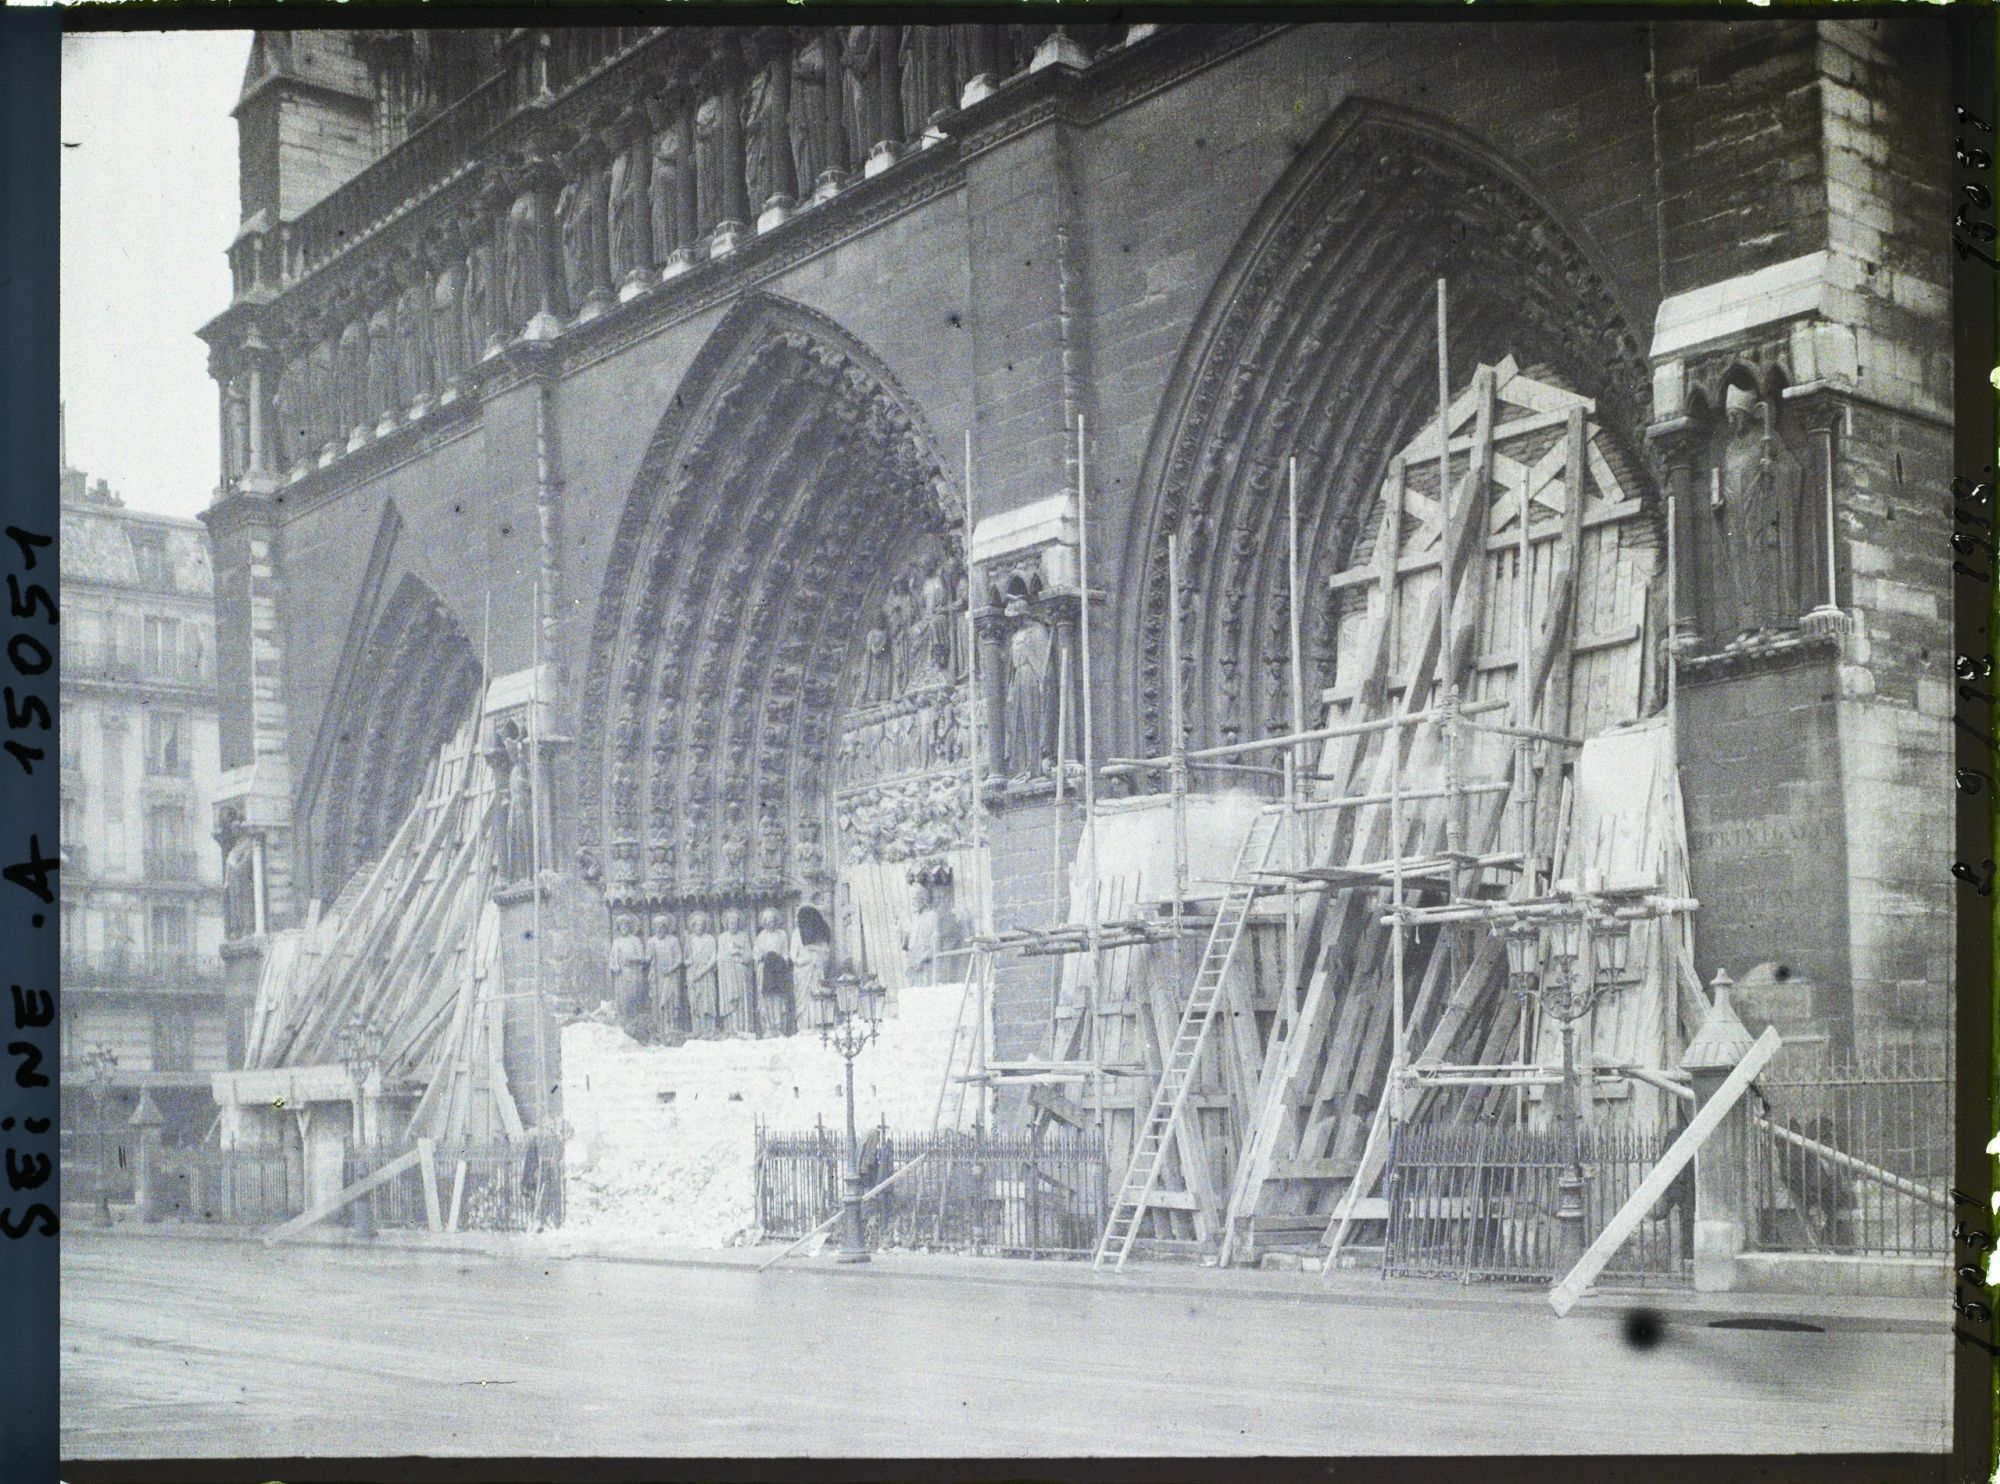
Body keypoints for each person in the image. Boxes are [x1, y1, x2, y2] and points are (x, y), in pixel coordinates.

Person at [609, 914, 652, 1041]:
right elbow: (612, 960)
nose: (624, 927)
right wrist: (615, 966)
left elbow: (643, 958)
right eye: (621, 925)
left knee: (633, 999)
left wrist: (632, 959)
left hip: (633, 974)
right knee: (622, 1001)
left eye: (626, 925)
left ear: (630, 927)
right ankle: (623, 1025)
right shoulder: (617, 942)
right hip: (621, 975)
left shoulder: (635, 940)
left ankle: (634, 1026)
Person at [648, 913, 687, 1045]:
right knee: (658, 1002)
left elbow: (679, 958)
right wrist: (651, 955)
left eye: (662, 927)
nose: (660, 929)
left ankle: (672, 1029)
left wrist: (670, 968)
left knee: (670, 1001)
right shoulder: (651, 941)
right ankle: (660, 1030)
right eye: (657, 927)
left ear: (666, 927)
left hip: (671, 975)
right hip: (657, 976)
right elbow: (647, 958)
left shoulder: (673, 940)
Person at [717, 908, 757, 1038]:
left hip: (741, 973)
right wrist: (730, 955)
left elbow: (749, 956)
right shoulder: (722, 938)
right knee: (730, 1002)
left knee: (742, 1001)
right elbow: (719, 957)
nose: (733, 925)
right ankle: (730, 1029)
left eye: (735, 923)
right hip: (728, 974)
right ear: (727, 923)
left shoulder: (743, 936)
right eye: (730, 923)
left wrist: (739, 953)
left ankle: (743, 1028)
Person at [755, 907, 794, 1037]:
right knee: (767, 999)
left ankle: (779, 1026)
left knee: (778, 999)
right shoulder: (761, 936)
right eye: (768, 922)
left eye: (773, 921)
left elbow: (786, 952)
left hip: (778, 970)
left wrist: (783, 961)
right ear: (764, 923)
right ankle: (768, 1027)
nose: (771, 924)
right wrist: (763, 957)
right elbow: (756, 954)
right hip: (766, 971)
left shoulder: (782, 934)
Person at [684, 911, 720, 1038]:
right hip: (693, 974)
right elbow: (686, 959)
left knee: (708, 1001)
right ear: (693, 926)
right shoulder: (690, 939)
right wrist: (690, 962)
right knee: (695, 1002)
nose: (699, 927)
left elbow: (714, 958)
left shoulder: (709, 939)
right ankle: (697, 1029)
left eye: (702, 925)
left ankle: (709, 1029)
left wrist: (703, 971)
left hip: (707, 974)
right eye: (697, 925)